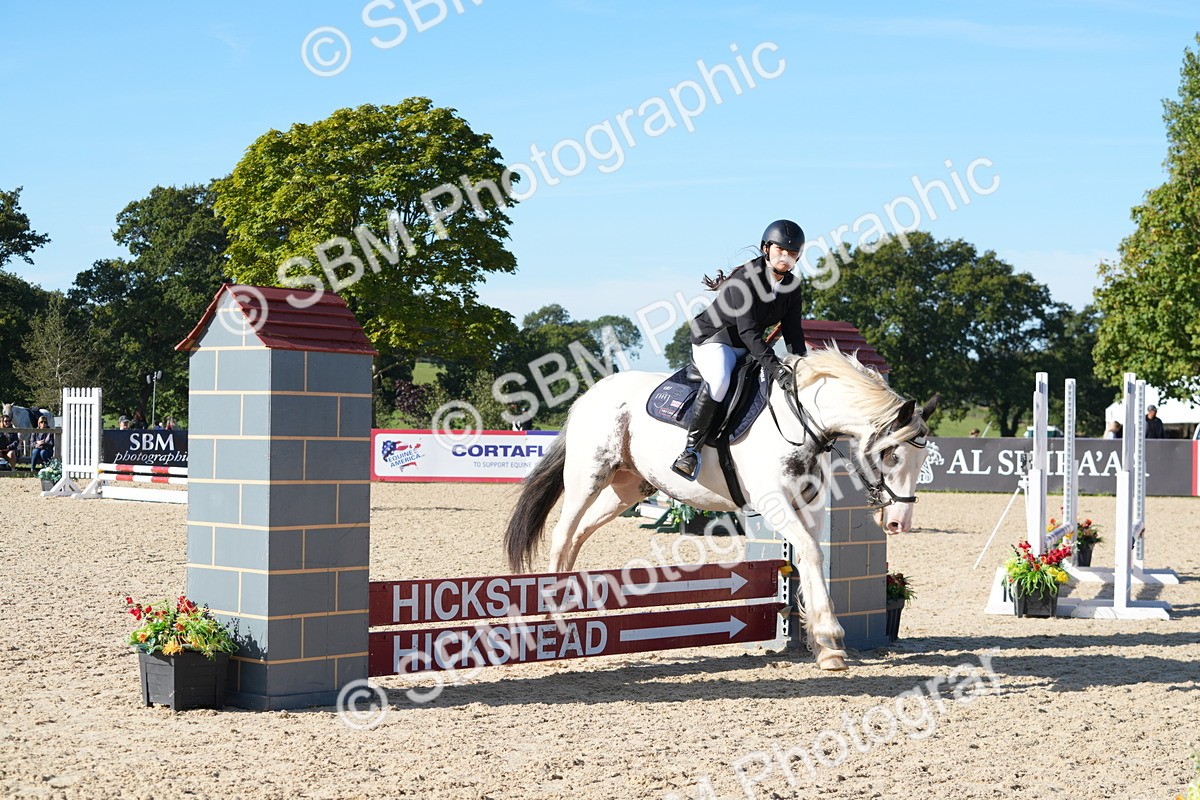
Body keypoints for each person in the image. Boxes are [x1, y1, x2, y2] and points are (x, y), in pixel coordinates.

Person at [672, 219, 808, 480]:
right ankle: (691, 451)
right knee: (721, 380)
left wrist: (800, 364)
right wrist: (776, 368)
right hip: (715, 340)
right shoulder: (744, 280)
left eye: (792, 253)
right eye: (780, 250)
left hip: (746, 345)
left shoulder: (792, 286)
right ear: (766, 248)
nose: (786, 257)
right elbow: (748, 331)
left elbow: (793, 332)